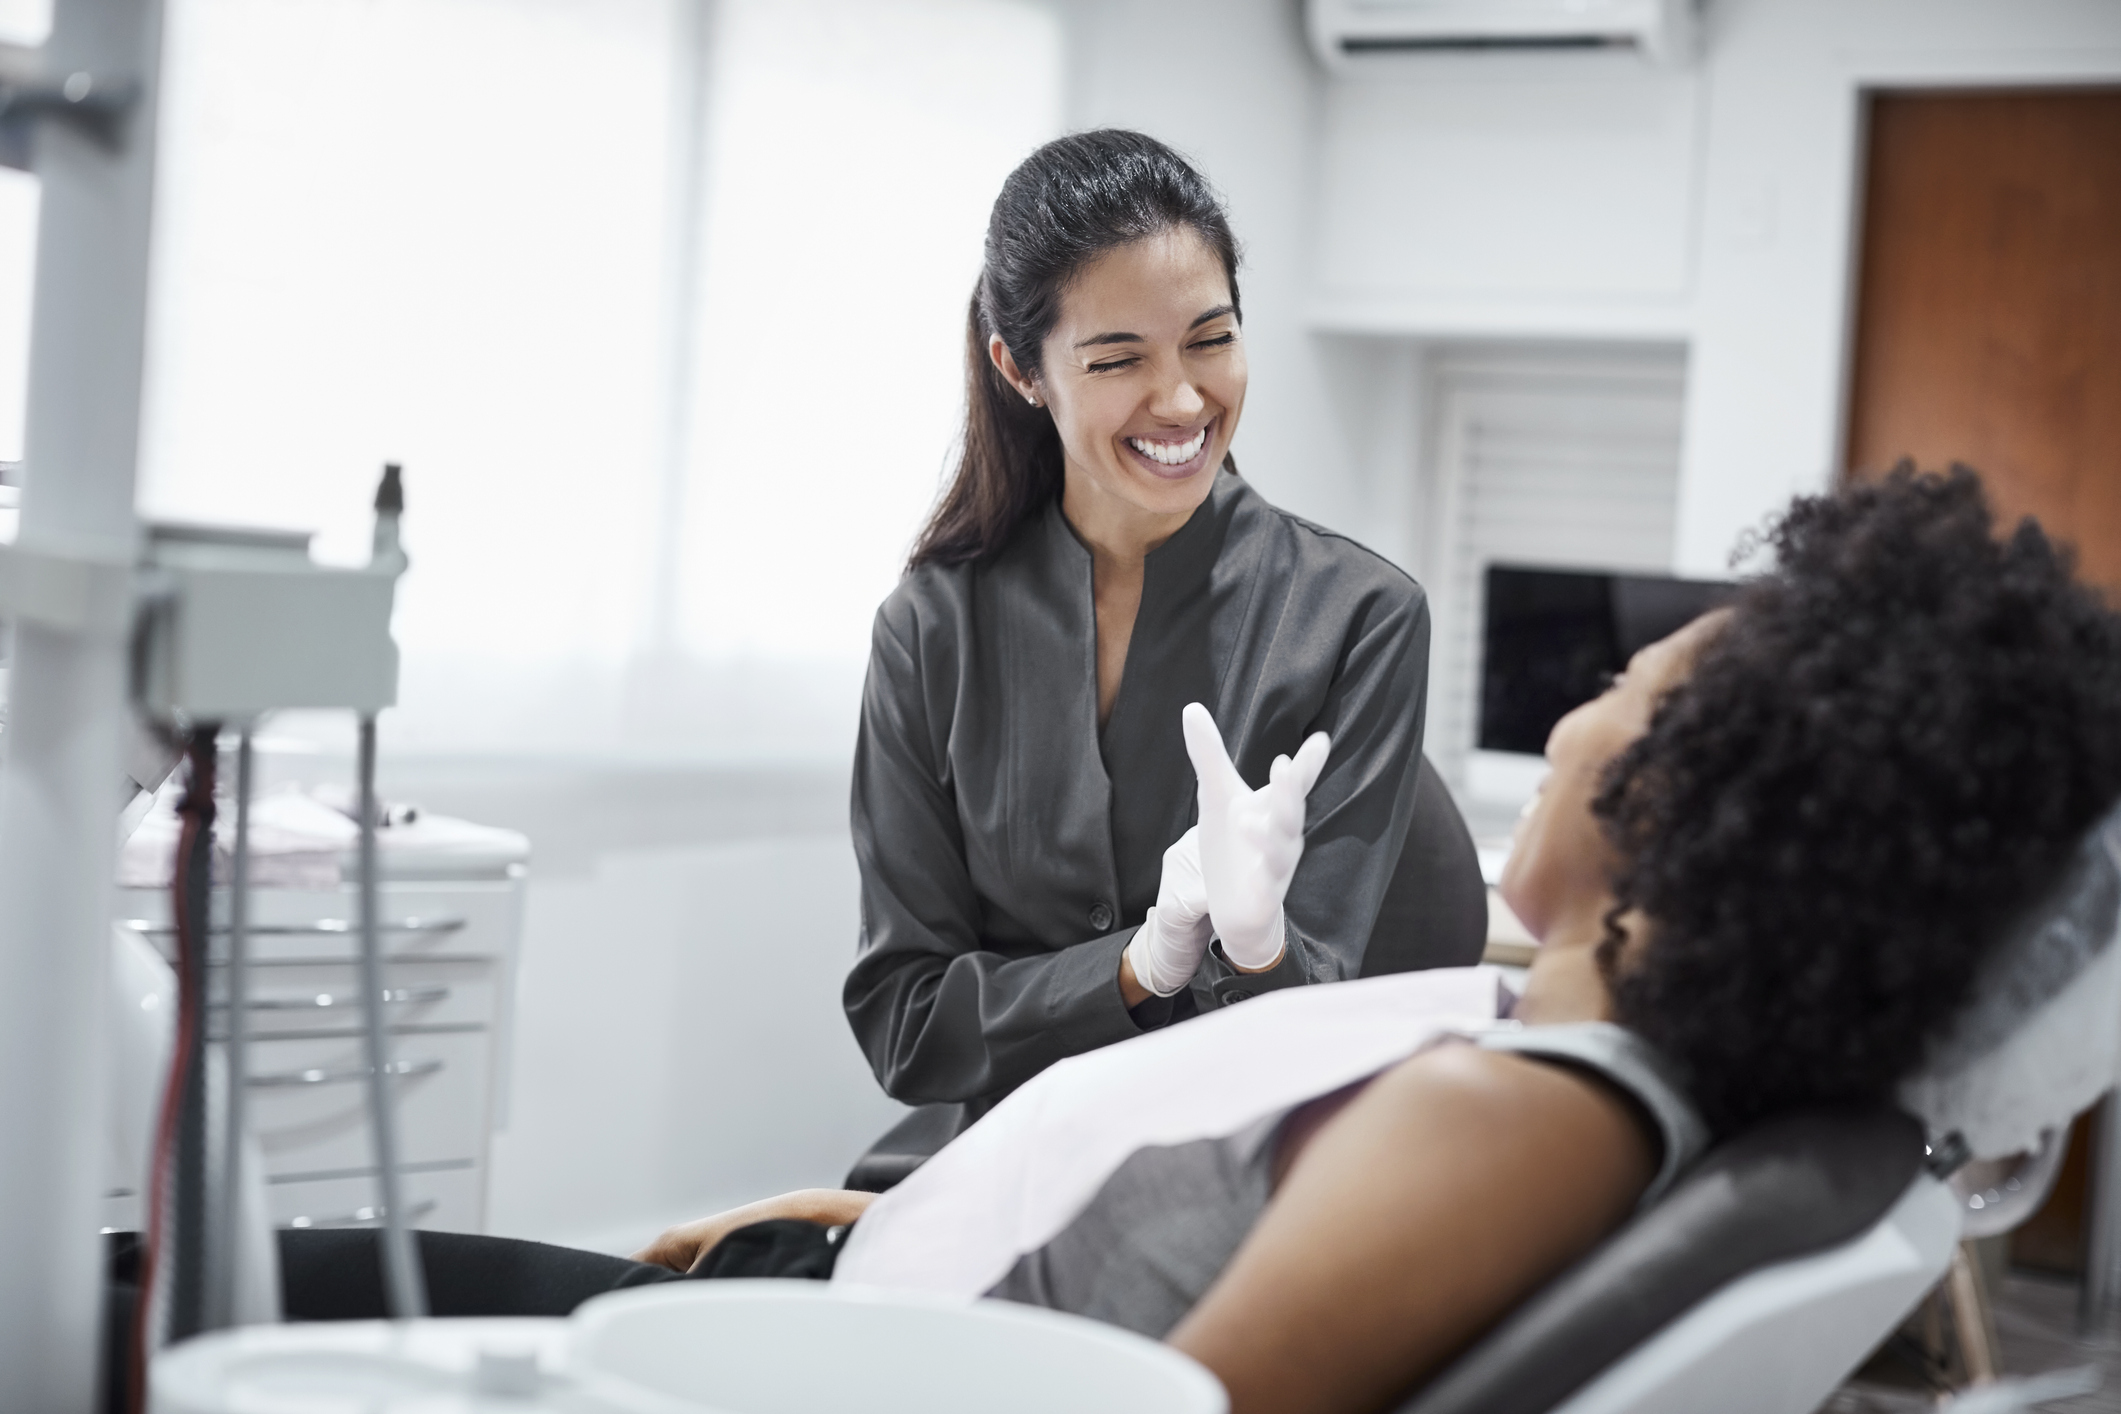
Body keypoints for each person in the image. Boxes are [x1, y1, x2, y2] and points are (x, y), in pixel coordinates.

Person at [135, 469, 2121, 1414]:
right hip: (845, 1285)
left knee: (167, 1287)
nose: (1574, 714)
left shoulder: (1509, 1119)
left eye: (1617, 683)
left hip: (826, 1368)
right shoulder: (1561, 1054)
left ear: (1694, 796)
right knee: (198, 1264)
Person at [844, 129, 1486, 1171]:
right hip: (998, 1162)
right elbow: (907, 1024)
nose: (1184, 400)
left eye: (1211, 338)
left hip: (1234, 1173)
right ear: (1021, 369)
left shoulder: (1360, 621)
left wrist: (1255, 945)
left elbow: (1308, 1025)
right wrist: (1136, 966)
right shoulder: (930, 632)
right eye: (1118, 359)